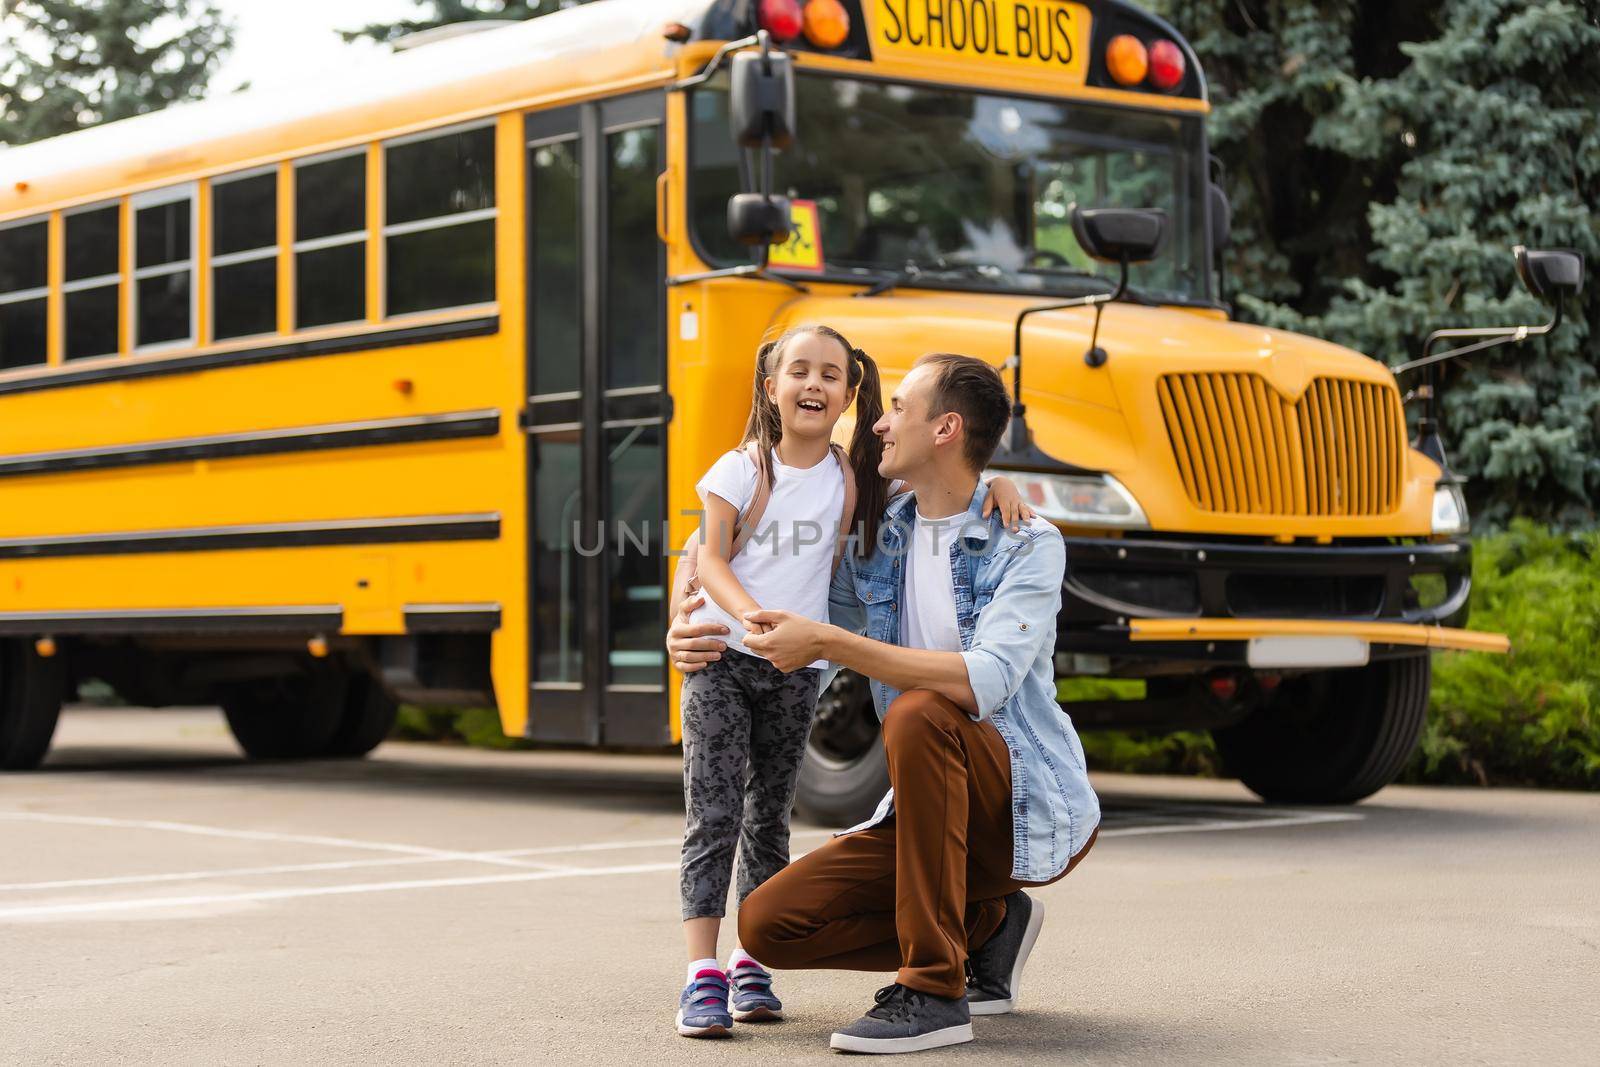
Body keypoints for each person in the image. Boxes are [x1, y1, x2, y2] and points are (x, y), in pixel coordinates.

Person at [668, 353, 1100, 1055]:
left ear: (945, 429)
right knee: (768, 923)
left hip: (1015, 800)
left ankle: (933, 988)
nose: (878, 421)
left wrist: (833, 641)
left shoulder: (1024, 541)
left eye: (899, 406)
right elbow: (752, 552)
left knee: (922, 710)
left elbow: (982, 681)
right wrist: (681, 619)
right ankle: (987, 927)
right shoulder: (881, 533)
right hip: (924, 811)